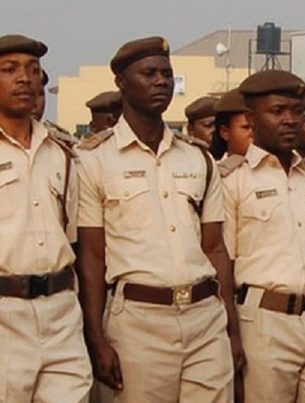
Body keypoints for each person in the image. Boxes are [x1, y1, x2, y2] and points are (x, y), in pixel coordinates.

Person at [76, 36, 242, 403]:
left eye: (167, 74)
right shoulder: (94, 161)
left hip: (204, 319)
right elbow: (91, 255)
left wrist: (230, 327)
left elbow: (215, 248)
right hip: (138, 322)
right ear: (121, 83)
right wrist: (96, 338)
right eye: (149, 73)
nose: (161, 82)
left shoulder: (197, 159)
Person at [219, 69, 305, 403]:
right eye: (277, 111)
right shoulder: (232, 180)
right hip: (266, 323)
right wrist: (231, 334)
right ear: (251, 119)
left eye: (296, 112)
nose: (290, 121)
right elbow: (223, 263)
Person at [0, 33, 92, 403]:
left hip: (61, 311)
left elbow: (72, 237)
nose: (24, 78)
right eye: (10, 70)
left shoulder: (64, 154)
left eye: (33, 70)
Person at [209, 88, 253, 161]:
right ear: (225, 132)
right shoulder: (215, 171)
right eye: (246, 127)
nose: (254, 133)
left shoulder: (274, 169)